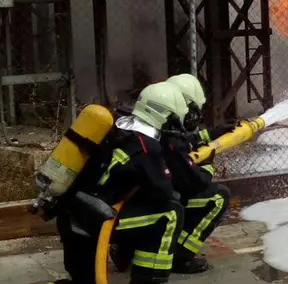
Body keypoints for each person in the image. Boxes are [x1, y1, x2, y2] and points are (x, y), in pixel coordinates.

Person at [57, 82, 189, 284]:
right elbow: (163, 192)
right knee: (171, 212)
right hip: (93, 223)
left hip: (72, 217)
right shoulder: (146, 146)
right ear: (164, 116)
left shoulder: (121, 126)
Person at [162, 73, 233, 273]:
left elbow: (186, 141)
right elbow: (197, 182)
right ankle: (181, 256)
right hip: (155, 202)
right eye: (192, 111)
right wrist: (208, 163)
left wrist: (212, 132)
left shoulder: (159, 127)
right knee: (218, 196)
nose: (193, 116)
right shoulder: (171, 141)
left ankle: (127, 249)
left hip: (136, 202)